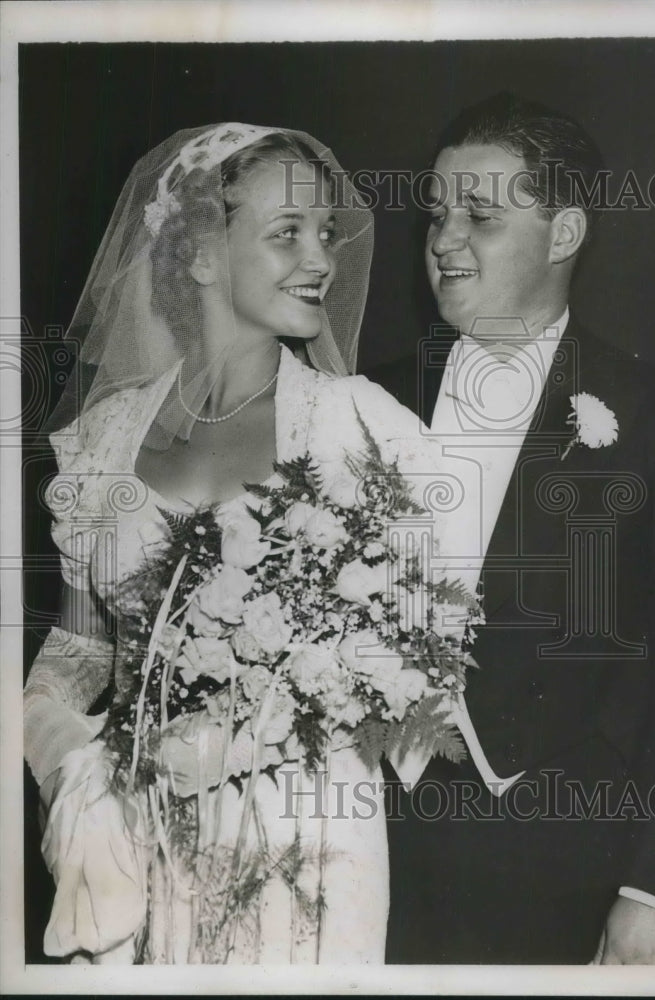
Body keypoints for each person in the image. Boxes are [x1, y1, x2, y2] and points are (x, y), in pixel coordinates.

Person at [23, 123, 457, 964]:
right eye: (285, 232)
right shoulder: (105, 440)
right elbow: (78, 652)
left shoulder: (359, 428)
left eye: (326, 234)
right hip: (139, 837)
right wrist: (72, 769)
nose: (321, 261)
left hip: (313, 837)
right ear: (200, 256)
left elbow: (418, 656)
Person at [367, 92, 655, 964]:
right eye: (437, 214)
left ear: (563, 235)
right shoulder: (361, 400)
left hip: (559, 868)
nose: (444, 240)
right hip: (363, 842)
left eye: (479, 216)